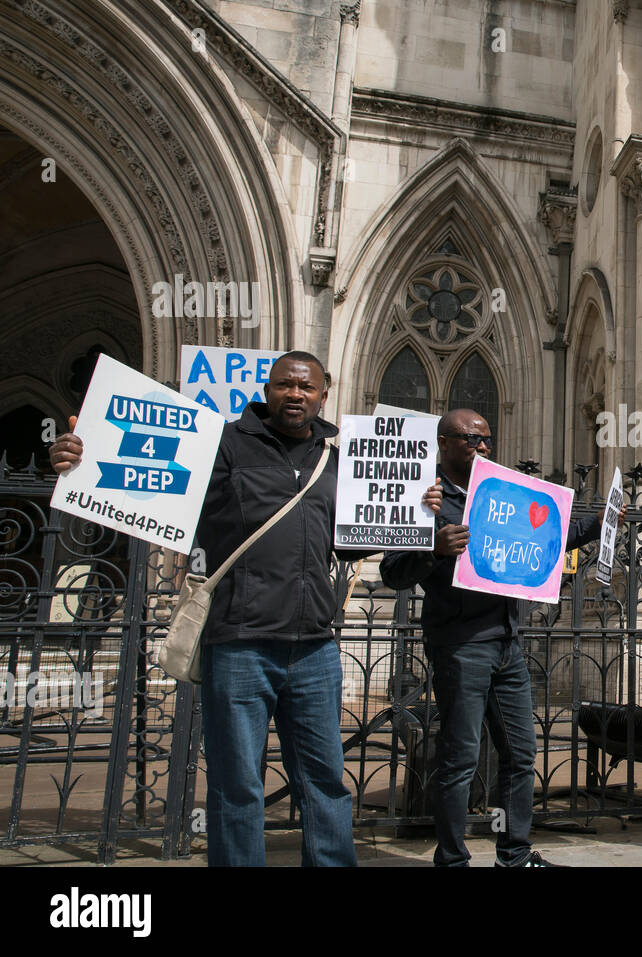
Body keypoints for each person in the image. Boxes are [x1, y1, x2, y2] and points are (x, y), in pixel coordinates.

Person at [50, 351, 442, 866]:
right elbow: (142, 476)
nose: (295, 394)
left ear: (324, 393)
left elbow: (351, 542)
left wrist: (418, 509)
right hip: (238, 643)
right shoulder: (221, 443)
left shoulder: (341, 458)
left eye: (307, 387)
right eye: (285, 385)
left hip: (315, 647)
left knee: (325, 782)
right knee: (237, 785)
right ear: (268, 388)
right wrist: (76, 460)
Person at [379, 409, 623, 867]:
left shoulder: (501, 496)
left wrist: (601, 521)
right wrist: (433, 549)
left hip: (509, 643)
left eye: (487, 439)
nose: (484, 447)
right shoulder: (424, 498)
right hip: (460, 644)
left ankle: (514, 854)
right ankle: (451, 859)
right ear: (445, 442)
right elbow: (392, 572)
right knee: (459, 759)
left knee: (520, 752)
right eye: (472, 439)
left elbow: (549, 538)